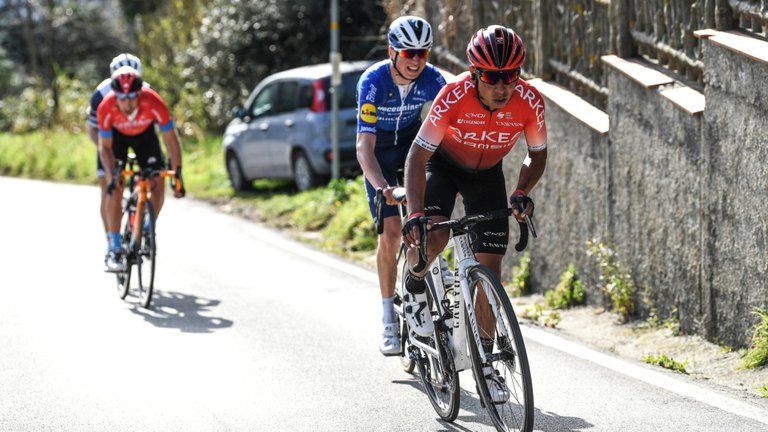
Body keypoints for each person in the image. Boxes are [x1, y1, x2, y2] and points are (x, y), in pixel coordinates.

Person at [401, 25, 547, 402]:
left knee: (490, 269)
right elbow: (417, 156)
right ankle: (414, 284)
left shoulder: (529, 101)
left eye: (510, 76)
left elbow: (537, 153)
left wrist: (521, 191)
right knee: (435, 235)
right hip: (443, 167)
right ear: (475, 74)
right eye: (492, 77)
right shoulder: (452, 98)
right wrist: (416, 212)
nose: (502, 87)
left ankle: (485, 362)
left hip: (488, 175)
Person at [355, 15, 448, 356]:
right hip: (378, 154)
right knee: (392, 234)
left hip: (410, 150)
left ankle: (431, 272)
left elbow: (446, 131)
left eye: (423, 53)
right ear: (392, 51)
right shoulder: (373, 82)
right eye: (409, 53)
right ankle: (387, 319)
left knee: (427, 216)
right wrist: (381, 187)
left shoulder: (433, 79)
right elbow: (363, 148)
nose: (417, 60)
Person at [98, 65, 185, 272]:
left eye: (132, 98)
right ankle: (115, 247)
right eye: (122, 98)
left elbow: (171, 141)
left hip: (145, 137)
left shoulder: (153, 101)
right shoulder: (106, 107)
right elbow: (105, 149)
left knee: (157, 182)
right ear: (115, 95)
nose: (127, 103)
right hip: (117, 139)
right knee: (115, 188)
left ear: (140, 93)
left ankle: (147, 227)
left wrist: (177, 174)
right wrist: (112, 177)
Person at [87, 53, 149, 254]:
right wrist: (106, 156)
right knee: (108, 189)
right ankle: (111, 243)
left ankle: (141, 221)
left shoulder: (146, 90)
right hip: (109, 138)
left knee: (149, 178)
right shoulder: (100, 94)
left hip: (138, 134)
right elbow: (92, 129)